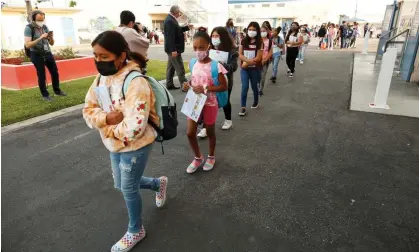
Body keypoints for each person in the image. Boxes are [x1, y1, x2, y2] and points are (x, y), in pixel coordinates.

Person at [82, 31, 168, 252]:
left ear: (121, 56)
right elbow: (88, 110)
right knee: (120, 184)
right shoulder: (101, 79)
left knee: (128, 188)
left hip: (136, 145)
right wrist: (106, 119)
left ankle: (135, 229)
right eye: (95, 56)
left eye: (104, 56)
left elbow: (135, 128)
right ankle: (158, 183)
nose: (98, 61)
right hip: (114, 144)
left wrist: (106, 129)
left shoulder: (136, 82)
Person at [182, 27, 228, 173]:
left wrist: (207, 88)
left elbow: (223, 86)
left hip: (209, 103)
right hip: (194, 103)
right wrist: (188, 85)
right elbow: (194, 80)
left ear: (208, 45)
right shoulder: (192, 63)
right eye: (195, 47)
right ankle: (197, 157)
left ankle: (211, 156)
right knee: (190, 133)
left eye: (201, 47)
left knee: (210, 132)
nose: (198, 50)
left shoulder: (216, 66)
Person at [197, 26, 238, 138]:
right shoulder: (208, 49)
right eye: (213, 36)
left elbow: (234, 67)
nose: (214, 38)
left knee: (225, 100)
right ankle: (205, 128)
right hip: (209, 80)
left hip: (225, 80)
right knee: (206, 102)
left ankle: (228, 120)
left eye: (217, 36)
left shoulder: (232, 51)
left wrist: (222, 65)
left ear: (223, 37)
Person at [24, 10, 65, 101]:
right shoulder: (29, 28)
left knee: (55, 72)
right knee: (41, 75)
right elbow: (28, 45)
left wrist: (51, 37)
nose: (41, 21)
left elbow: (52, 43)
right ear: (34, 19)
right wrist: (40, 38)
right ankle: (45, 95)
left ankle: (57, 91)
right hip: (36, 54)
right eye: (39, 19)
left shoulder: (45, 27)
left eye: (42, 19)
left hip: (47, 52)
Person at [164, 5, 193, 90]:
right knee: (180, 67)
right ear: (176, 12)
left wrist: (187, 27)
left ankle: (169, 84)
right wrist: (173, 50)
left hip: (172, 49)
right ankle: (185, 86)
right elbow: (170, 37)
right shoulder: (170, 20)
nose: (180, 13)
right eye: (179, 12)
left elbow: (177, 30)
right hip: (174, 49)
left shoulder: (171, 19)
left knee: (171, 67)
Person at [238, 22, 263, 116]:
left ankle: (256, 101)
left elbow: (259, 57)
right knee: (244, 87)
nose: (251, 31)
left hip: (254, 68)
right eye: (250, 29)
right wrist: (246, 62)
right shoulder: (243, 41)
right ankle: (243, 107)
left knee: (254, 87)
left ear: (257, 31)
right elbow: (240, 54)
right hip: (244, 68)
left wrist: (249, 62)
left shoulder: (260, 42)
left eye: (254, 30)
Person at [259, 25, 273, 96]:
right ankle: (257, 87)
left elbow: (270, 52)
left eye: (264, 31)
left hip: (265, 60)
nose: (262, 32)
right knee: (257, 75)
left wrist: (265, 60)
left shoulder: (269, 41)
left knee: (262, 75)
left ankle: (260, 89)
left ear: (267, 32)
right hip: (257, 61)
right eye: (261, 31)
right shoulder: (257, 40)